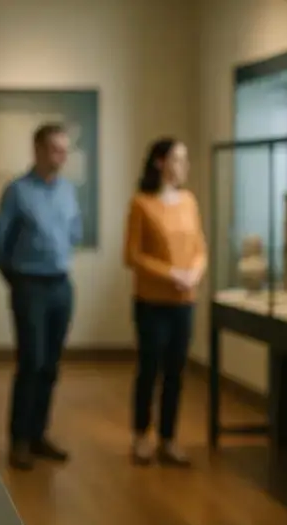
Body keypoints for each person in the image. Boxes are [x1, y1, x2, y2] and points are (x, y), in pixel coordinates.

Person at [0, 123, 83, 470]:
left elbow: (74, 232)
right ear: (39, 150)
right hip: (30, 286)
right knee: (31, 362)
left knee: (50, 365)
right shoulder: (18, 191)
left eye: (65, 149)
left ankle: (40, 434)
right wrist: (17, 279)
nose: (62, 156)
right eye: (56, 149)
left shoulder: (68, 191)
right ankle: (19, 440)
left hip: (61, 285)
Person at [123, 138, 206, 467]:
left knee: (177, 370)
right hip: (152, 301)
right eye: (177, 158)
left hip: (185, 300)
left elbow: (200, 246)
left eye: (185, 159)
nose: (184, 165)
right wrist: (171, 273)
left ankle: (169, 438)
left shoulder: (188, 200)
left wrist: (195, 273)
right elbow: (132, 255)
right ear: (159, 162)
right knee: (150, 368)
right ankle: (142, 435)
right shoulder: (141, 203)